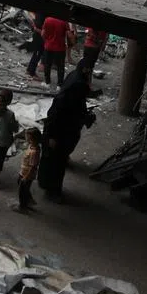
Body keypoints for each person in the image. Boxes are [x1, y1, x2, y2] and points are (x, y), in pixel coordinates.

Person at [38, 59, 92, 202]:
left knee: (57, 161)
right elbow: (57, 114)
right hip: (59, 132)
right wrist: (51, 136)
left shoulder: (74, 80)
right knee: (56, 163)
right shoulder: (73, 90)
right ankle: (51, 191)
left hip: (64, 130)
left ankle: (51, 188)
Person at [41, 16, 75, 87]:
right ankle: (59, 85)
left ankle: (47, 83)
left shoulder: (47, 19)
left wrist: (47, 41)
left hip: (48, 47)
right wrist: (73, 43)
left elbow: (43, 34)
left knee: (47, 65)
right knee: (60, 67)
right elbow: (69, 35)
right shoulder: (64, 21)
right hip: (60, 48)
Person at [16, 128, 42, 213]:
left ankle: (22, 206)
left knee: (22, 191)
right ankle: (29, 201)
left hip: (27, 174)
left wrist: (26, 177)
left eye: (27, 136)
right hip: (23, 172)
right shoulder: (31, 146)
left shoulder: (34, 152)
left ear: (32, 139)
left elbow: (33, 166)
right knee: (22, 186)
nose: (26, 138)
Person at [25, 12, 46, 80]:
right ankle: (32, 72)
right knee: (37, 54)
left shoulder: (39, 14)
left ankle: (29, 70)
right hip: (39, 37)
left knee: (36, 54)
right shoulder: (42, 16)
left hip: (38, 35)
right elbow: (37, 26)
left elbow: (35, 24)